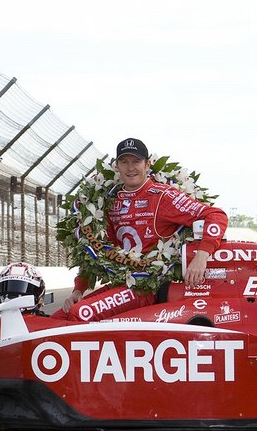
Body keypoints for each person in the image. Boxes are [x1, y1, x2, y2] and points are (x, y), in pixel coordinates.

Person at [57, 138, 228, 322]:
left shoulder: (164, 196)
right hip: (123, 284)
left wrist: (201, 256)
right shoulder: (109, 201)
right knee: (60, 317)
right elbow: (98, 249)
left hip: (147, 288)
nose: (130, 168)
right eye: (124, 162)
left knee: (80, 313)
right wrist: (79, 289)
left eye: (136, 161)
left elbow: (216, 215)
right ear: (117, 166)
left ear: (147, 164)